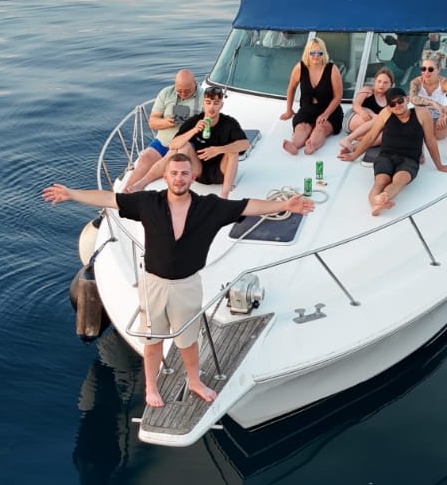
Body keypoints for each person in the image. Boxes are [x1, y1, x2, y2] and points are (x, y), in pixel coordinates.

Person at [44, 151, 315, 408]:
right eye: (174, 173)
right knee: (152, 341)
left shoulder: (209, 207)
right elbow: (109, 199)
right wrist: (71, 194)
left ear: (192, 177)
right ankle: (151, 386)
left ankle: (194, 381)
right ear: (166, 176)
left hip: (187, 285)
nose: (179, 178)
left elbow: (247, 206)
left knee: (188, 341)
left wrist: (284, 204)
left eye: (184, 173)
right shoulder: (148, 202)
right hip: (153, 285)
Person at [339, 94, 447, 215]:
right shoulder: (386, 113)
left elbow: (430, 140)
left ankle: (380, 200)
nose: (397, 105)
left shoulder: (421, 114)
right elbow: (371, 136)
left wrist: (439, 165)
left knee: (399, 180)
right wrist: (354, 155)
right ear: (389, 107)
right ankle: (377, 203)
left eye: (399, 101)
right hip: (386, 156)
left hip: (409, 159)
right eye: (392, 104)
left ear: (407, 100)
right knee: (380, 181)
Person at [128, 86, 249, 195]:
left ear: (221, 105)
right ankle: (141, 184)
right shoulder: (195, 121)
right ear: (204, 104)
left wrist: (217, 150)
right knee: (181, 147)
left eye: (216, 103)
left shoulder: (229, 122)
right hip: (198, 171)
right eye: (208, 102)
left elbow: (245, 144)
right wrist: (195, 130)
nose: (212, 107)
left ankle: (225, 194)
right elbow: (173, 145)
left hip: (221, 172)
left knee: (233, 150)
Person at [123, 70, 203, 193]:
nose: (182, 94)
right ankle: (123, 193)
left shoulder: (204, 97)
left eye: (186, 91)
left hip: (184, 143)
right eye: (179, 91)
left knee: (171, 156)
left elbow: (210, 124)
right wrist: (167, 122)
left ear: (194, 83)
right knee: (145, 158)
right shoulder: (166, 93)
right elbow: (152, 122)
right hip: (163, 141)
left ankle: (141, 184)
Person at [279, 37, 343, 155]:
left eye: (319, 53)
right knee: (302, 127)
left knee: (320, 128)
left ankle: (312, 144)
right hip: (307, 109)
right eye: (312, 52)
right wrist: (289, 110)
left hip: (329, 110)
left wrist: (326, 114)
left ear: (324, 53)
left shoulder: (332, 69)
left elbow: (338, 96)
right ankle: (294, 144)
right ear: (307, 53)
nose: (316, 56)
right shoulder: (300, 68)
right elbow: (291, 87)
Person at [408, 53, 447, 166]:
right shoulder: (416, 82)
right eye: (423, 69)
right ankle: (419, 151)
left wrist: (444, 113)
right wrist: (433, 103)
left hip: (439, 125)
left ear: (438, 69)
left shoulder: (445, 83)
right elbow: (413, 99)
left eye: (430, 69)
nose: (426, 72)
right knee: (416, 113)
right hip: (423, 124)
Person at [337, 67, 398, 159]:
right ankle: (348, 139)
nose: (381, 85)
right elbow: (356, 105)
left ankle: (354, 147)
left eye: (385, 82)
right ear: (375, 82)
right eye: (379, 81)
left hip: (371, 128)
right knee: (379, 118)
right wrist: (362, 112)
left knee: (385, 134)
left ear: (391, 85)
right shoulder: (367, 91)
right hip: (353, 118)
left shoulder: (391, 100)